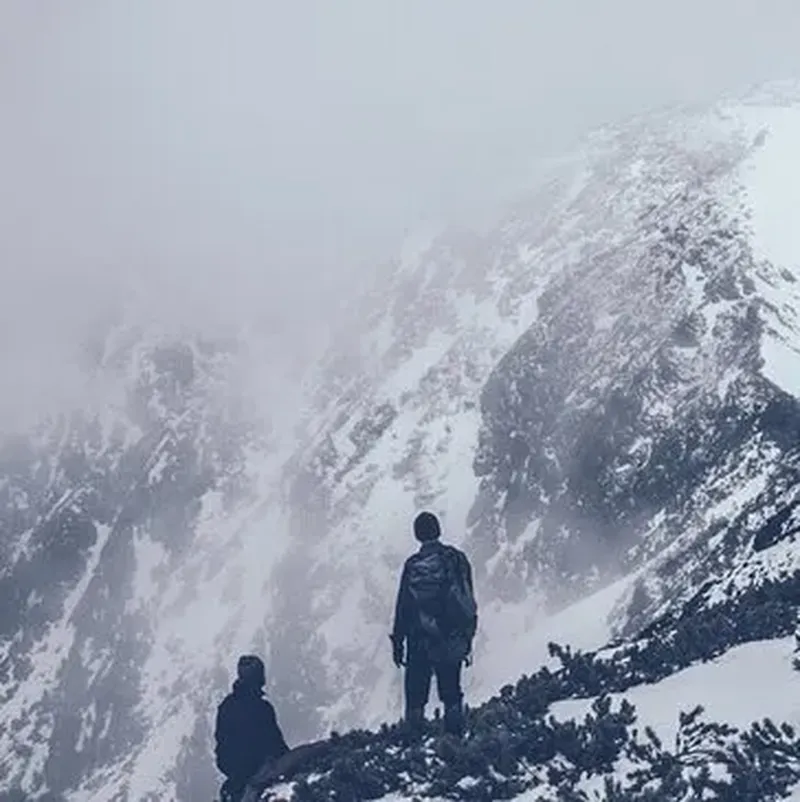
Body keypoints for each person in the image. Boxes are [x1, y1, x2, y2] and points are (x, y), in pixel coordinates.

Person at [390, 511, 478, 737]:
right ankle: (455, 743)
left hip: (418, 638)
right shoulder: (457, 559)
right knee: (451, 693)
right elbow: (468, 598)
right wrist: (467, 636)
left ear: (417, 534)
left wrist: (398, 642)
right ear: (438, 530)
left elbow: (403, 607)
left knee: (416, 696)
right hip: (451, 637)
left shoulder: (413, 565)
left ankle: (412, 748)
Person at [214, 655, 290, 802]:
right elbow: (276, 744)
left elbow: (222, 748)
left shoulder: (227, 706)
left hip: (236, 774)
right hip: (258, 771)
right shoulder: (262, 709)